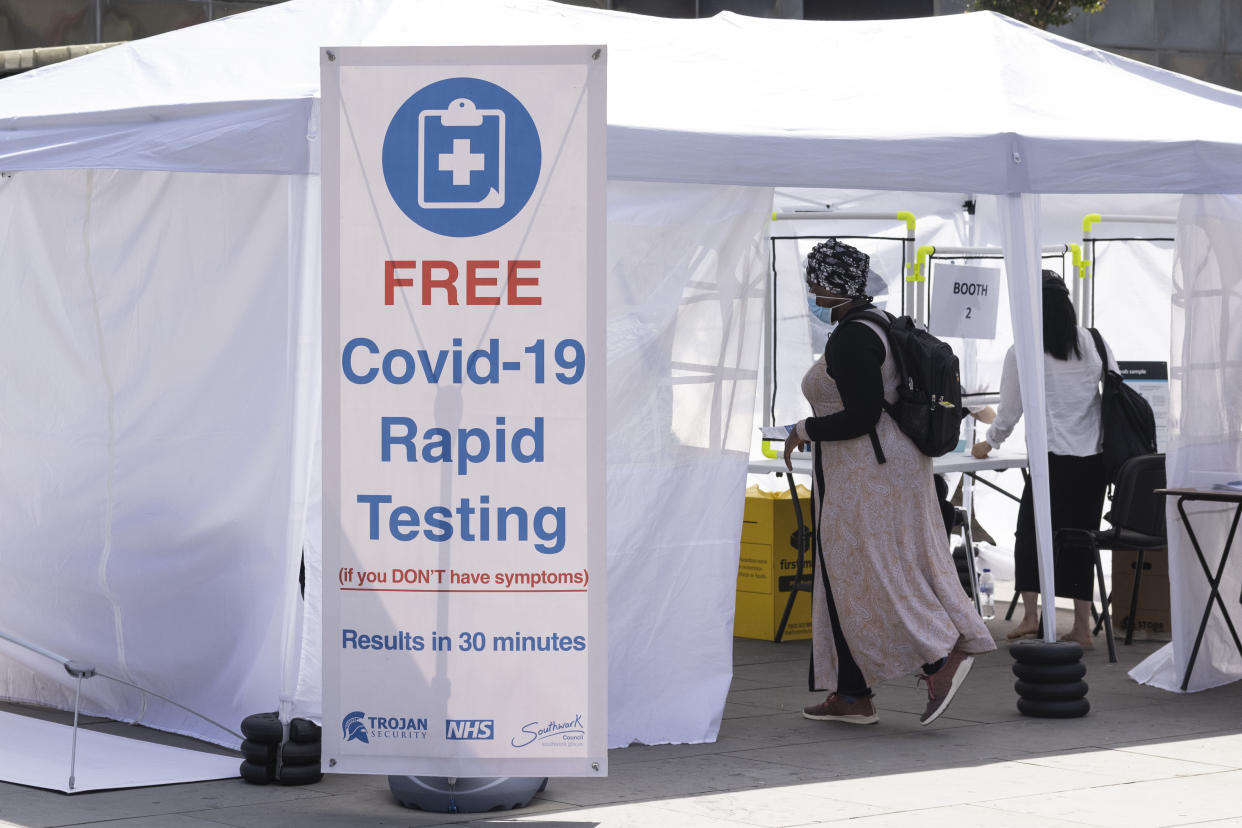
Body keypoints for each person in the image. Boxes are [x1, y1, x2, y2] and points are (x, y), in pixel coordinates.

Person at [784, 239, 995, 727]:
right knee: (870, 570)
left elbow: (859, 416)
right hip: (887, 466)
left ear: (833, 283)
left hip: (867, 471)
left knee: (870, 573)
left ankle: (938, 660)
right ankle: (853, 694)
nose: (811, 290)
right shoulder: (879, 324)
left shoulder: (852, 337)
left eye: (815, 279)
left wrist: (805, 429)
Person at [972, 270, 1116, 647]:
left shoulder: (1023, 349)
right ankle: (1082, 627)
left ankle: (1032, 617)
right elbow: (1116, 388)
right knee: (1081, 540)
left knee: (1031, 535)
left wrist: (987, 444)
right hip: (1093, 460)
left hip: (1052, 460)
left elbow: (1009, 413)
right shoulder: (1094, 341)